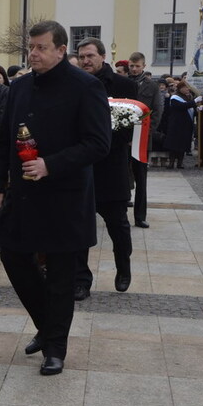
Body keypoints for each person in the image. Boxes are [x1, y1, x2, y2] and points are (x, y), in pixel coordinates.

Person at [0, 20, 110, 376]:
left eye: (42, 47)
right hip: (23, 195)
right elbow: (2, 140)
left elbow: (98, 144)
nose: (34, 53)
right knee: (12, 256)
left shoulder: (86, 87)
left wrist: (50, 165)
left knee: (60, 275)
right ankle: (47, 324)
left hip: (64, 197)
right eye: (31, 47)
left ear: (61, 50)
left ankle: (55, 347)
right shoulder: (21, 85)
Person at [74, 37, 136, 299]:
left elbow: (128, 128)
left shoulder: (125, 85)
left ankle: (123, 267)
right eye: (82, 57)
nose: (86, 61)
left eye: (90, 56)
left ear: (102, 57)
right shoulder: (74, 84)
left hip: (111, 167)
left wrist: (97, 140)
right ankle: (80, 280)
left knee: (118, 225)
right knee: (78, 229)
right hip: (80, 169)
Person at [128, 52, 164, 227]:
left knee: (141, 178)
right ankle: (117, 211)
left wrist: (147, 132)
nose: (134, 69)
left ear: (144, 66)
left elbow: (157, 111)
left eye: (137, 66)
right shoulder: (122, 83)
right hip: (123, 138)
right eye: (131, 66)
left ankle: (140, 216)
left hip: (142, 138)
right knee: (120, 176)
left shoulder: (152, 87)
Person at [164, 80, 197, 169]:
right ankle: (171, 163)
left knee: (183, 144)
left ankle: (180, 163)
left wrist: (198, 109)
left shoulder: (189, 97)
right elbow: (180, 107)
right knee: (174, 144)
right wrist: (194, 102)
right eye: (186, 87)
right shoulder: (175, 97)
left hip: (186, 124)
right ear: (180, 88)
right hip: (176, 124)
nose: (188, 89)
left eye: (188, 87)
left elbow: (191, 109)